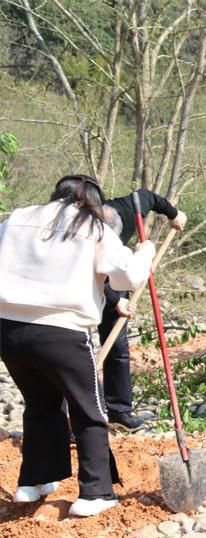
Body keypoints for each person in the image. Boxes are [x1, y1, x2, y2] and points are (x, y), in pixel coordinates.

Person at [0, 176, 154, 517]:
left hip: (8, 331)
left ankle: (33, 483)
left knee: (40, 403)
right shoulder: (92, 226)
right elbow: (126, 278)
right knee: (90, 409)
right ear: (92, 203)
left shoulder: (18, 217)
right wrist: (146, 252)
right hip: (63, 332)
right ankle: (96, 492)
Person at [92, 184, 186, 430]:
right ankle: (78, 416)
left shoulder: (127, 206)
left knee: (117, 346)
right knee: (73, 350)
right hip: (82, 280)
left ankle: (119, 411)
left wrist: (174, 214)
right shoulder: (84, 233)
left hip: (116, 272)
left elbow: (149, 197)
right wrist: (115, 299)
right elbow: (87, 273)